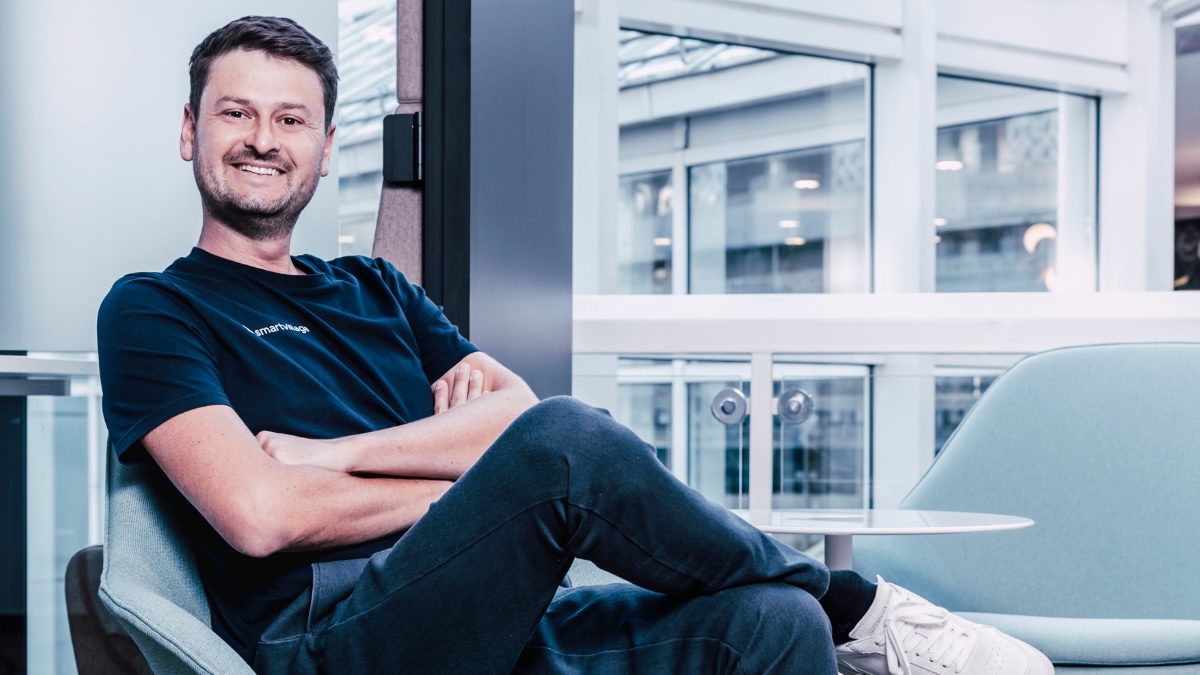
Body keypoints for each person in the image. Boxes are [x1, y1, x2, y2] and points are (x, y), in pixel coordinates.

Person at [97, 15, 1052, 675]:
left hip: (501, 610)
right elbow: (260, 514)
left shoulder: (376, 286)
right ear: (190, 131)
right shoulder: (154, 309)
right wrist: (489, 494)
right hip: (338, 639)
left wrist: (334, 456)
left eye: (290, 119)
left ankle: (822, 607)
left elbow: (507, 416)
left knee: (772, 621)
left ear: (325, 143)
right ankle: (864, 609)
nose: (263, 139)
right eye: (236, 113)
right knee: (566, 442)